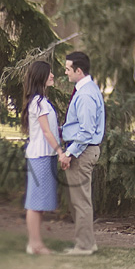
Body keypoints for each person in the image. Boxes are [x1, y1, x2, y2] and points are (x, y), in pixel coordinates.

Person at [58, 51, 105, 255]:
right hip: (84, 150)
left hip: (82, 152)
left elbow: (86, 131)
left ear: (78, 70)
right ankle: (87, 243)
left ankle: (84, 246)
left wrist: (69, 153)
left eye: (68, 69)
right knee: (80, 199)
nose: (65, 72)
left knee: (81, 201)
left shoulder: (85, 94)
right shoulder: (86, 90)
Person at [22, 60, 64, 255]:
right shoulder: (39, 102)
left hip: (44, 156)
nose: (53, 75)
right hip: (40, 156)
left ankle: (36, 243)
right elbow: (47, 132)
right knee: (34, 202)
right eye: (50, 73)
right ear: (41, 76)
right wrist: (60, 152)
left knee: (39, 203)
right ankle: (34, 244)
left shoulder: (40, 102)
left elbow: (51, 130)